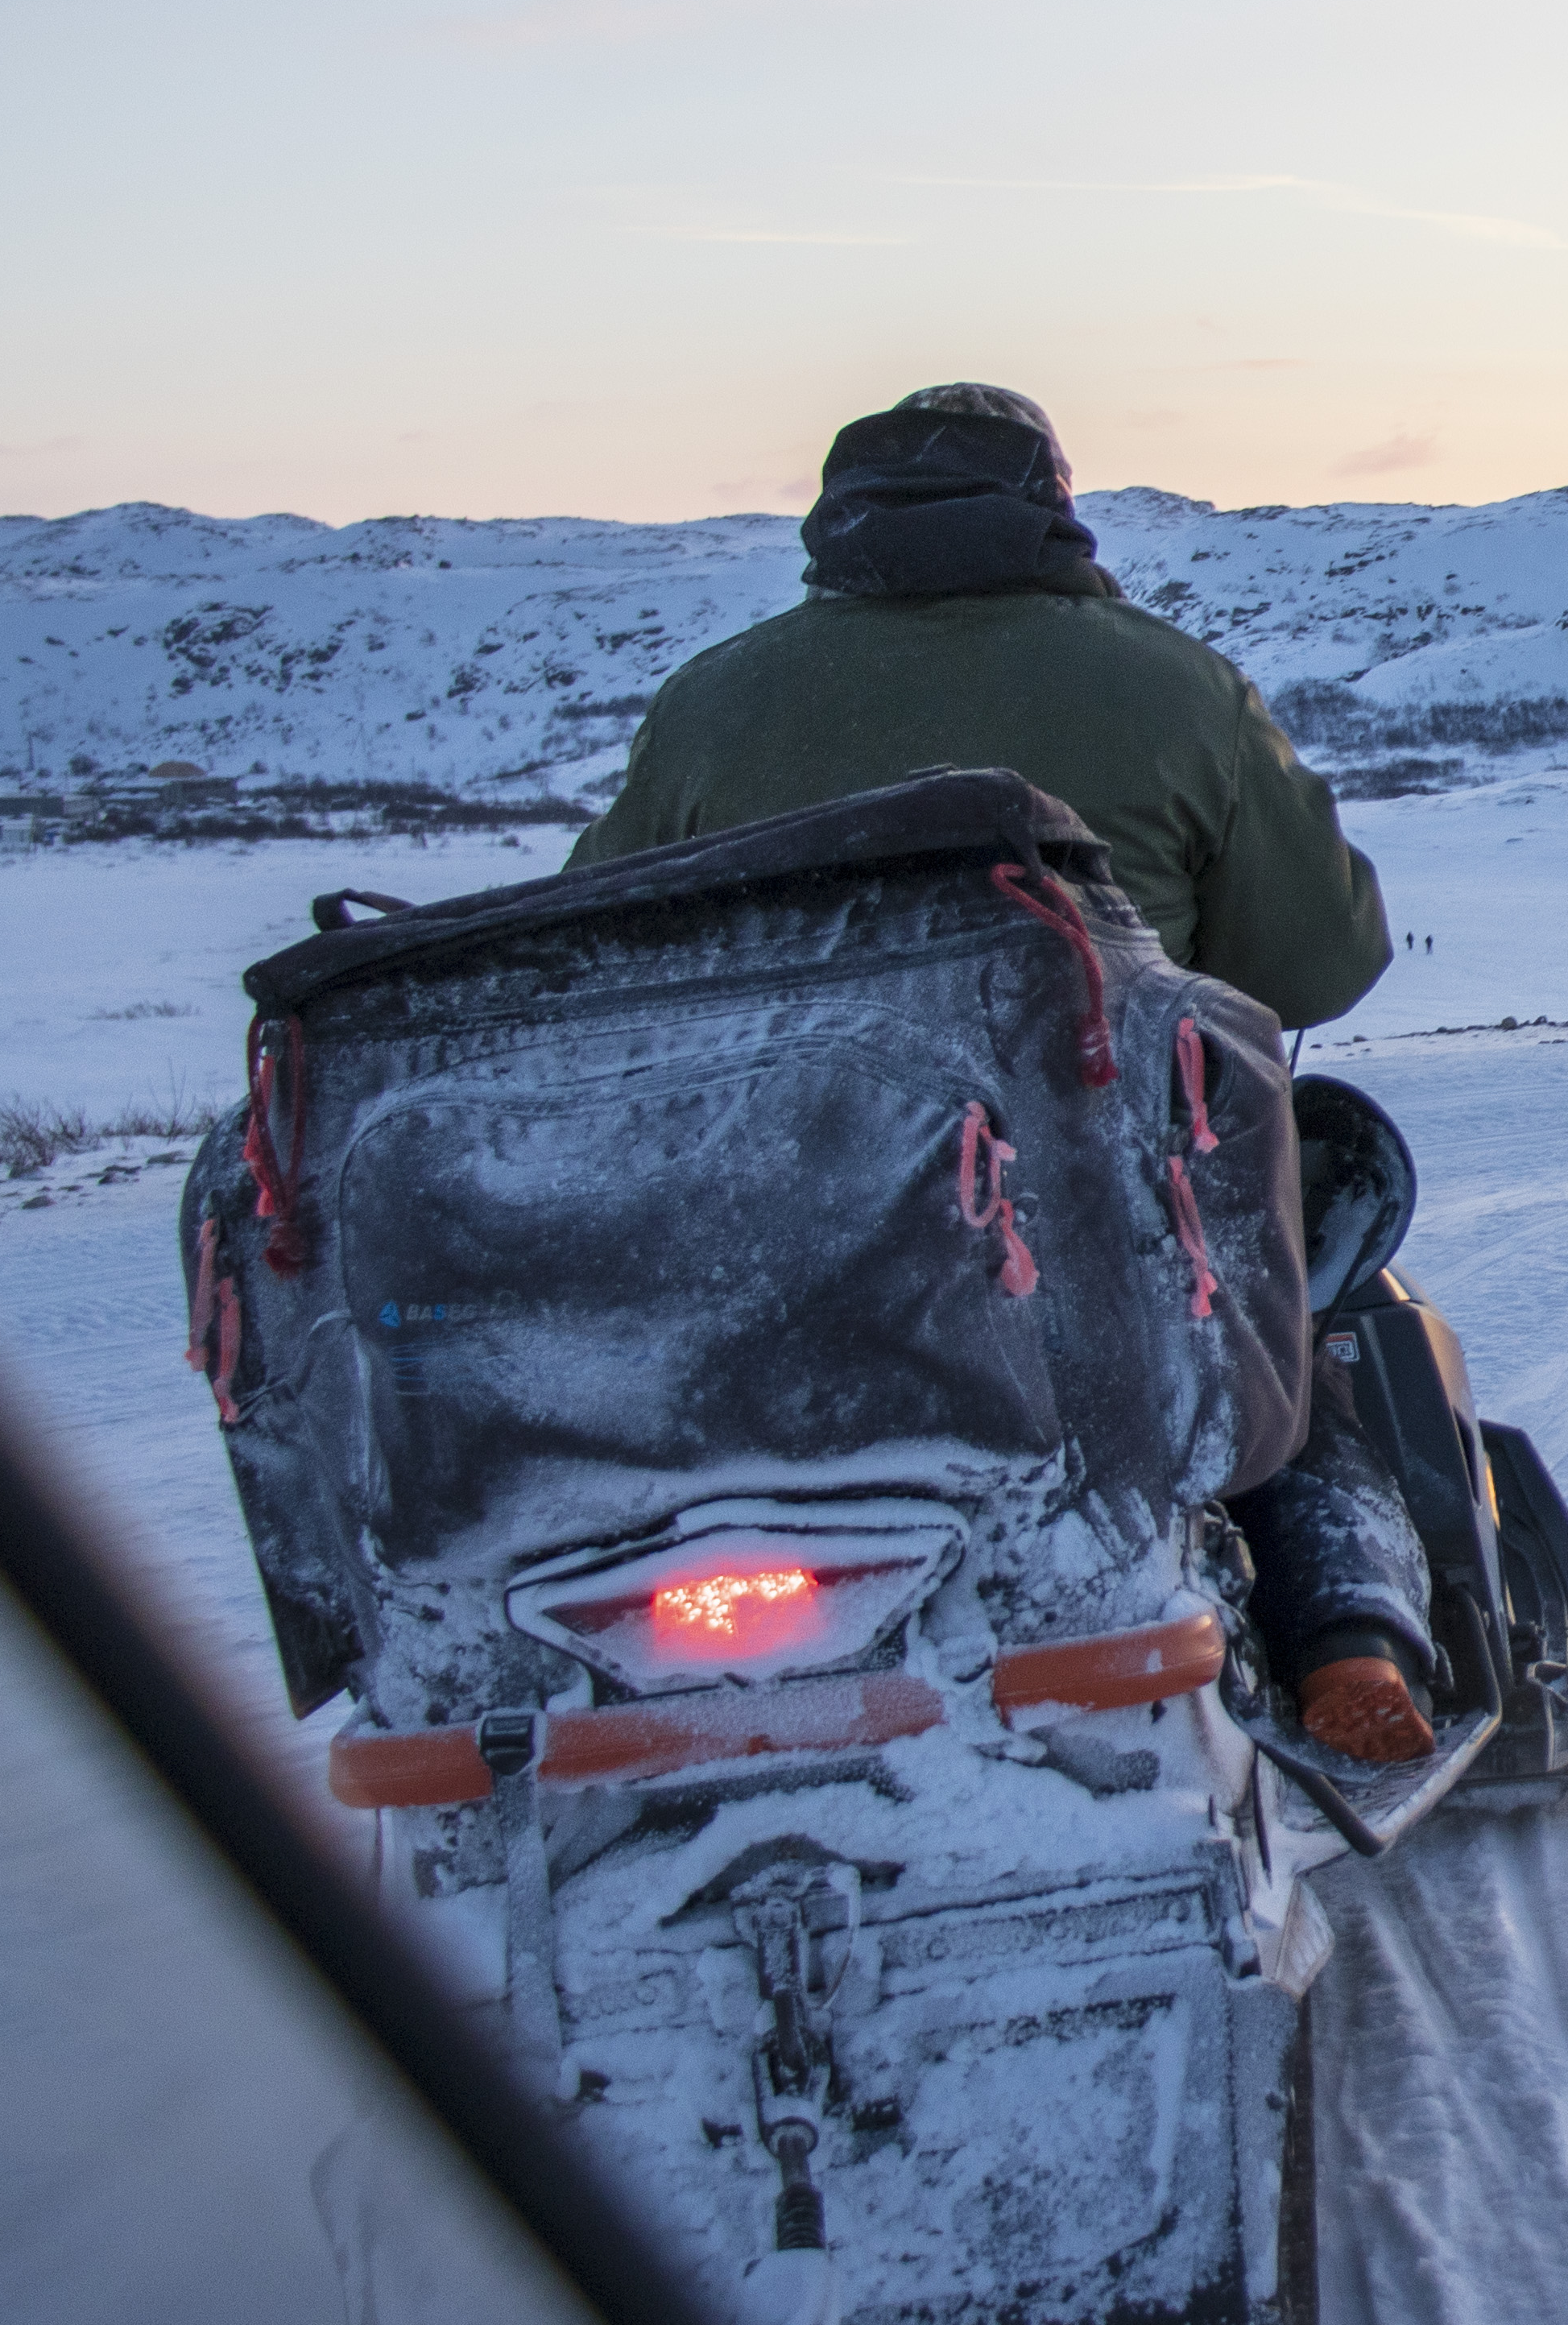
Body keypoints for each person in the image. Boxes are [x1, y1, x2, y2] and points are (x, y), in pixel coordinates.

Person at [571, 383, 1442, 1760]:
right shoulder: (1176, 686)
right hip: (1095, 1226)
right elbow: (1320, 964)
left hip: (770, 1236)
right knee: (1287, 1346)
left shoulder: (711, 704)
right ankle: (1350, 1647)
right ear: (1049, 501)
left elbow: (598, 969)